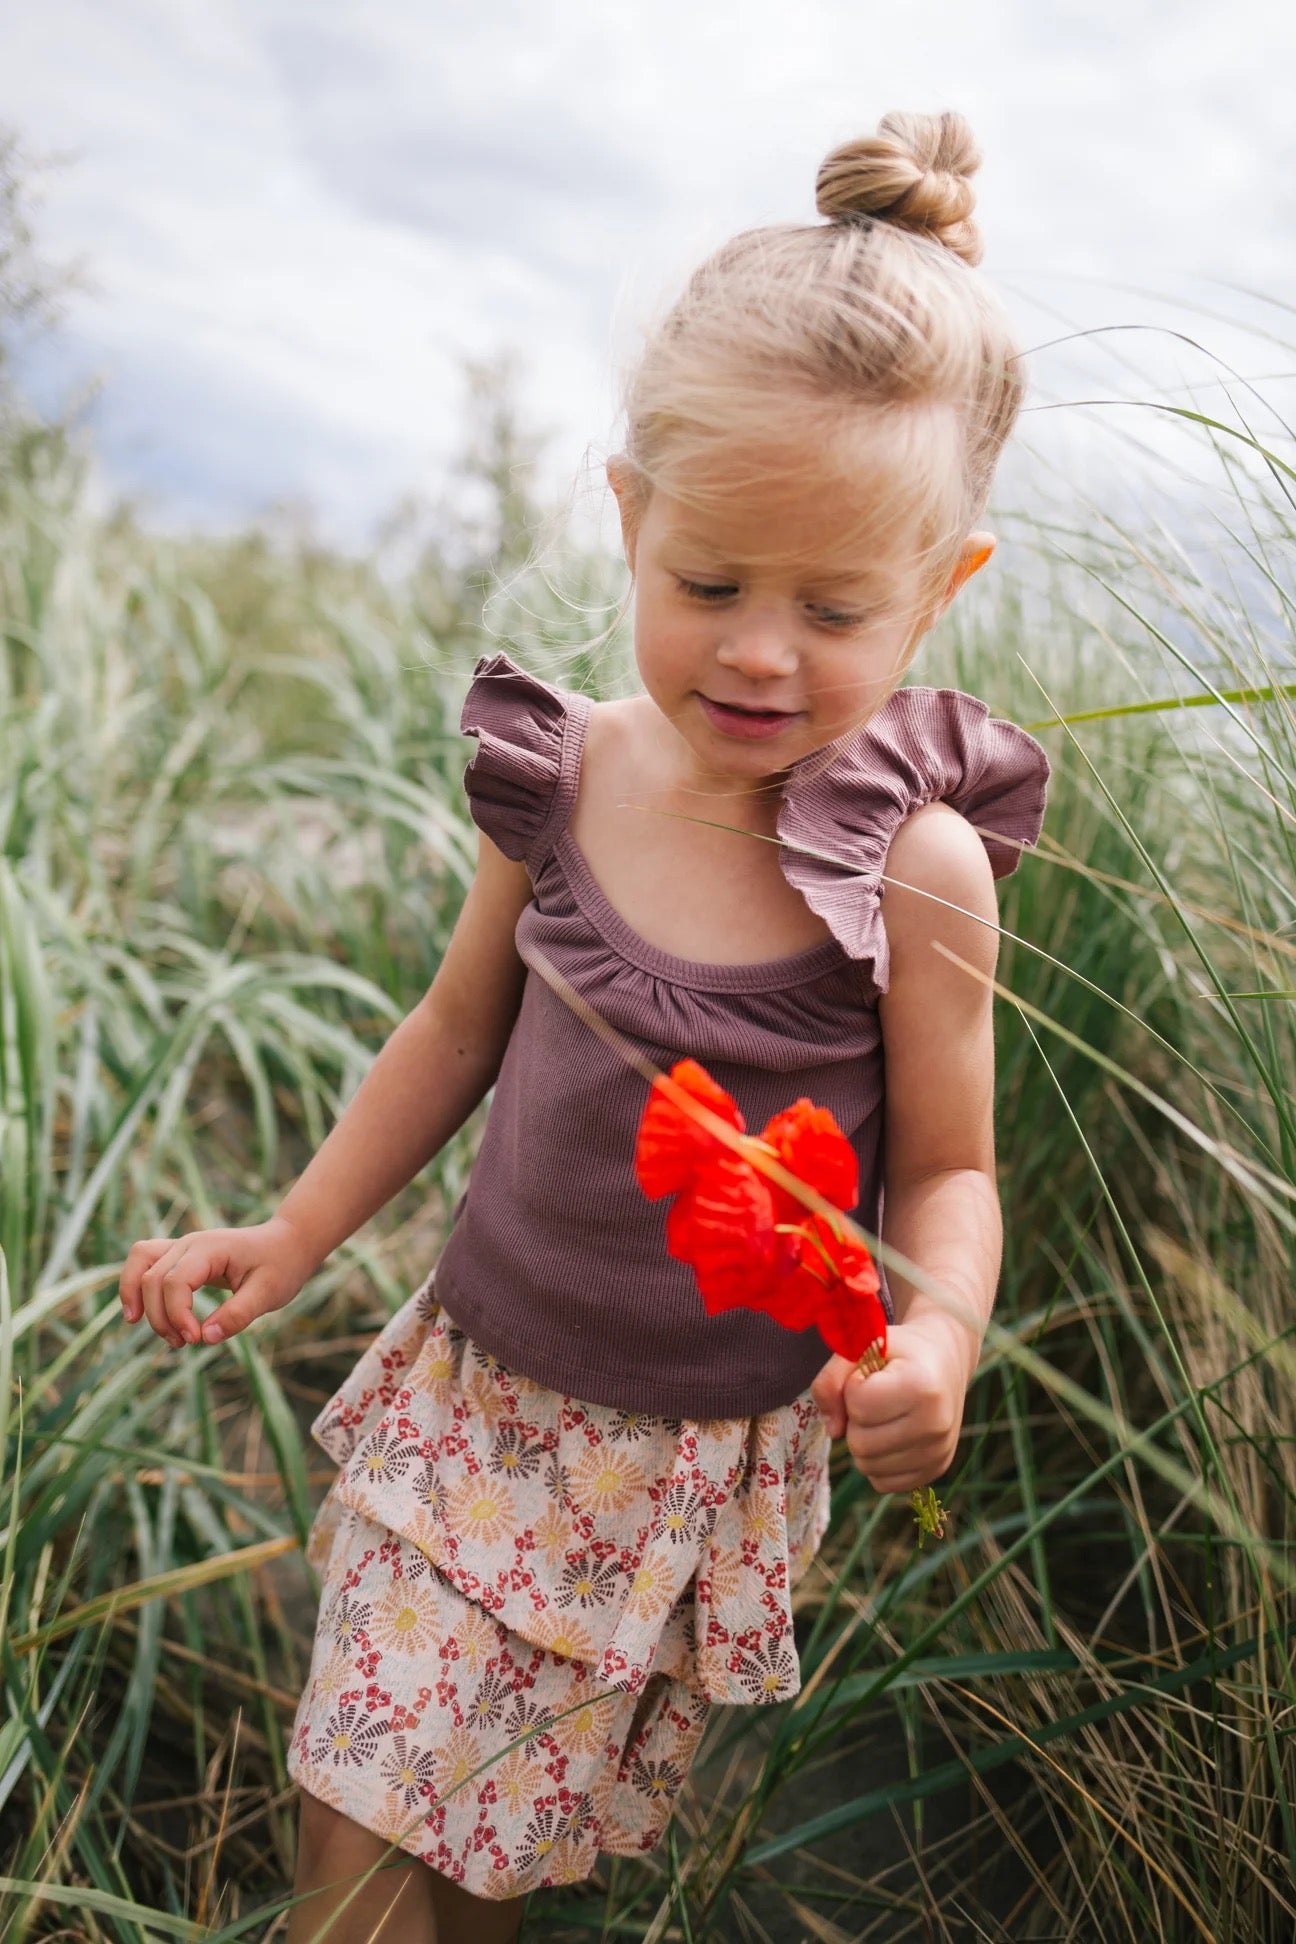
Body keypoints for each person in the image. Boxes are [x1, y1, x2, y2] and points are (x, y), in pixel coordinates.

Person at [118, 108, 1051, 1944]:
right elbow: (455, 1034)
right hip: (476, 1405)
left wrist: (939, 1343)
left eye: (835, 607)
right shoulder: (573, 772)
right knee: (358, 1856)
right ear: (631, 518)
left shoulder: (921, 868)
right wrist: (294, 1234)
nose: (758, 655)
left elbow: (951, 1171)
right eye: (708, 585)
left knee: (492, 1879)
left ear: (944, 588)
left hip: (680, 1474)